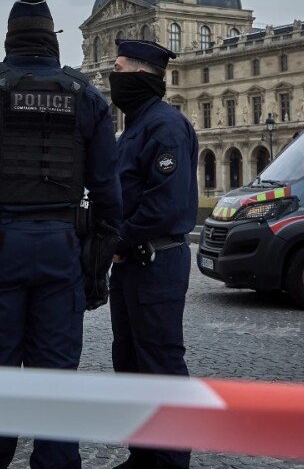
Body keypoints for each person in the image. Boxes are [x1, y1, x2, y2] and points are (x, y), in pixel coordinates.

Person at [0, 0, 123, 469]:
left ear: (9, 41)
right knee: (57, 389)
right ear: (52, 41)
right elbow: (109, 198)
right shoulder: (87, 98)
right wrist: (96, 271)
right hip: (63, 249)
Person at [107, 39, 198, 469]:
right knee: (129, 360)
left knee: (160, 361)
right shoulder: (135, 129)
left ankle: (170, 461)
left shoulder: (165, 127)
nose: (113, 77)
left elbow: (165, 205)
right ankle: (143, 454)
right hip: (132, 263)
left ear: (143, 76)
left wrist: (118, 241)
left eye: (119, 69)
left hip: (155, 261)